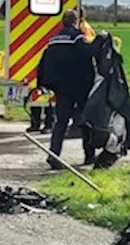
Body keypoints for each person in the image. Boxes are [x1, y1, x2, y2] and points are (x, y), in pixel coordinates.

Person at [36, 9, 96, 169]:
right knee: (85, 121)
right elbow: (90, 52)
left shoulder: (53, 40)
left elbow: (43, 63)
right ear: (76, 22)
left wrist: (43, 83)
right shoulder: (77, 38)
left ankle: (53, 155)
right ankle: (89, 156)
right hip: (79, 86)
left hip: (61, 89)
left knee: (60, 122)